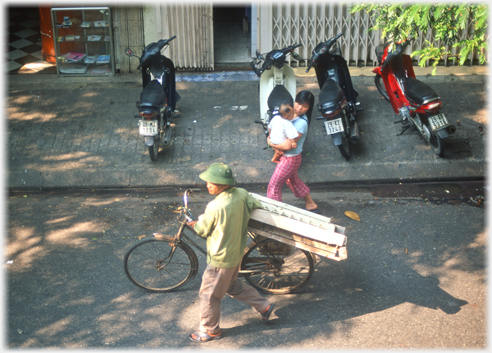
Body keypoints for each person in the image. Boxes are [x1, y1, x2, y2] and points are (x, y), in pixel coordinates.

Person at [186, 163, 275, 343]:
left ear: (224, 185)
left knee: (209, 295)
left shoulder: (215, 206)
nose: (208, 185)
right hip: (235, 254)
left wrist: (194, 224)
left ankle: (210, 330)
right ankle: (264, 306)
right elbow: (255, 203)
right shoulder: (241, 194)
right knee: (230, 285)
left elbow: (202, 230)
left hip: (220, 258)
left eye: (213, 182)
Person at [267, 90, 319, 213]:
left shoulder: (301, 123)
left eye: (305, 106)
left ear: (309, 107)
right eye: (298, 103)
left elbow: (288, 145)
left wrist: (270, 142)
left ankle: (275, 213)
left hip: (289, 159)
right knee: (292, 181)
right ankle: (310, 203)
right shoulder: (288, 113)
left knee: (273, 186)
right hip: (290, 158)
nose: (299, 108)